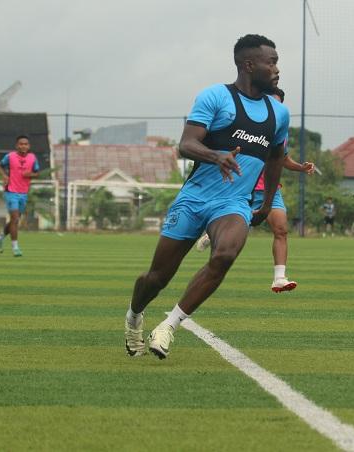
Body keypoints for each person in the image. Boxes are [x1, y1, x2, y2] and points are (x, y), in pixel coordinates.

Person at [124, 34, 289, 359]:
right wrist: (217, 156)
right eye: (271, 62)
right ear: (248, 64)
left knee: (225, 255)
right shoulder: (216, 97)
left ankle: (169, 326)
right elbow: (186, 144)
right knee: (157, 278)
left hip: (233, 205)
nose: (276, 69)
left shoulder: (279, 114)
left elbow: (275, 158)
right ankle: (134, 315)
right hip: (194, 199)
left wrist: (267, 202)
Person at [196, 87, 314, 293]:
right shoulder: (251, 126)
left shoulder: (279, 130)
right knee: (236, 228)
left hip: (270, 190)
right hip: (245, 186)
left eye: (278, 104)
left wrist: (300, 167)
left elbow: (283, 159)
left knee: (281, 229)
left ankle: (279, 278)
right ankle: (213, 232)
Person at [0, 135, 40, 257]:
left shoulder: (32, 158)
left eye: (25, 144)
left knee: (15, 221)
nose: (23, 146)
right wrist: (4, 176)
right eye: (21, 144)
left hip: (23, 193)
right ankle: (15, 247)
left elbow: (37, 173)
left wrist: (29, 174)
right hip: (11, 191)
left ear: (28, 146)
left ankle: (0, 237)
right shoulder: (10, 157)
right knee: (15, 219)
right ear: (17, 146)